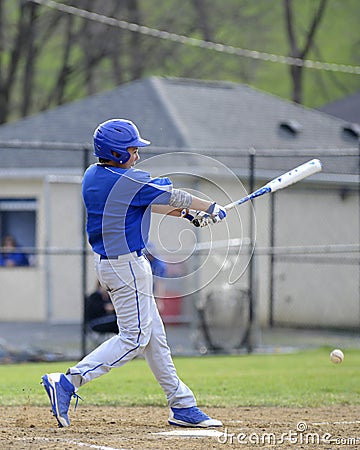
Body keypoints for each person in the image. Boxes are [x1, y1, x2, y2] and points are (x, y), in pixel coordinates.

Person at [41, 118, 226, 429]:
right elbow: (174, 196)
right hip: (127, 266)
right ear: (116, 153)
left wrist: (188, 216)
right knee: (135, 338)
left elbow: (148, 202)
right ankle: (68, 382)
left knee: (155, 338)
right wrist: (210, 207)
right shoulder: (127, 180)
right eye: (132, 150)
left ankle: (182, 405)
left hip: (111, 264)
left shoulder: (94, 175)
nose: (137, 155)